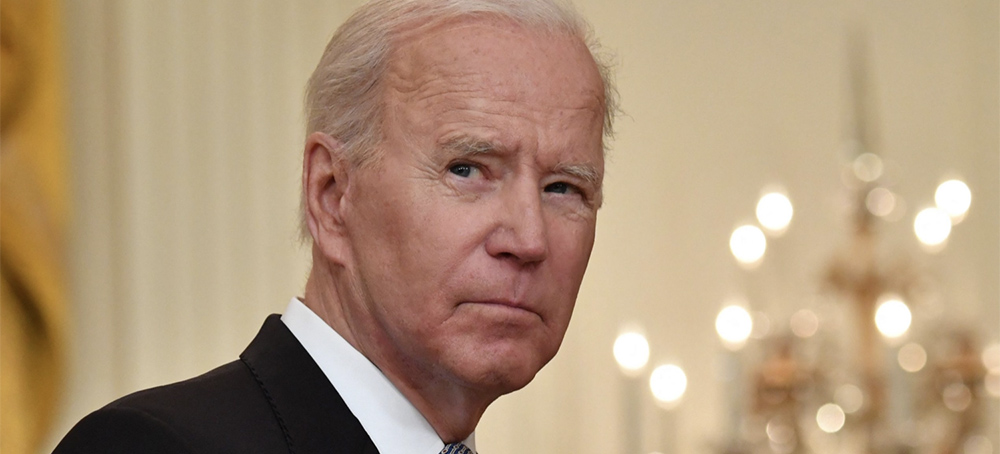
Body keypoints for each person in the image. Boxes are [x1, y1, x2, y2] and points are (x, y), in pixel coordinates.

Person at [55, 0, 617, 452]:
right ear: (331, 195)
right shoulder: (150, 446)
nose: (528, 240)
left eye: (564, 187)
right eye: (467, 169)